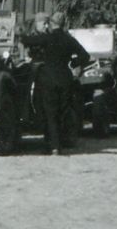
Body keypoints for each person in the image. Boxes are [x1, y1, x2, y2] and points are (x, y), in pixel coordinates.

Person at [23, 11, 90, 155]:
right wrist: (74, 62)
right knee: (62, 113)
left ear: (52, 23)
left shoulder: (47, 38)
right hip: (65, 79)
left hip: (47, 79)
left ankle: (53, 146)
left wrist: (19, 34)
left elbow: (28, 41)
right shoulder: (69, 39)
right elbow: (85, 56)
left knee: (49, 113)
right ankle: (57, 144)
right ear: (64, 24)